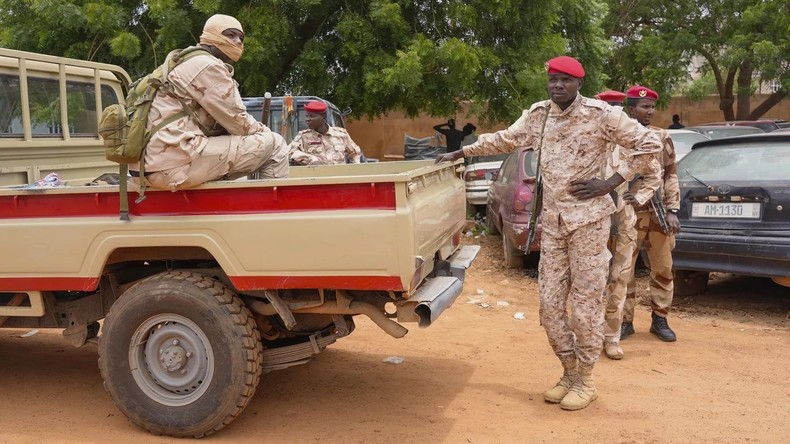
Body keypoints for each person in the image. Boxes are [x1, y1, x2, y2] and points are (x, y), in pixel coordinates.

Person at [435, 56, 662, 411]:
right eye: (553, 79)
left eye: (565, 80)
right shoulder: (539, 115)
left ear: (579, 83)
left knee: (586, 308)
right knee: (550, 308)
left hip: (589, 223)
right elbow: (506, 138)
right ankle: (568, 373)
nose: (558, 85)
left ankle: (586, 379)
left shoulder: (602, 114)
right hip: (553, 225)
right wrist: (462, 151)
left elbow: (650, 145)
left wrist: (610, 182)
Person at [132, 14, 289, 190]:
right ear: (211, 35)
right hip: (173, 165)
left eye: (241, 37)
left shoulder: (184, 61)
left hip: (148, 167)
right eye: (230, 35)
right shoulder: (207, 65)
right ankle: (272, 205)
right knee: (275, 144)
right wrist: (264, 132)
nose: (238, 41)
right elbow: (240, 124)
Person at [595, 90, 662, 360]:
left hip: (623, 218)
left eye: (616, 108)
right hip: (592, 219)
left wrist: (639, 197)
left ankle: (611, 337)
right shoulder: (588, 138)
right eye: (607, 107)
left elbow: (654, 174)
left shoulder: (632, 140)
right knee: (590, 280)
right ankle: (588, 335)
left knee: (620, 277)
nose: (612, 113)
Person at [621, 85, 681, 343]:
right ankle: (624, 321)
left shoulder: (662, 136)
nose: (650, 111)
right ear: (631, 109)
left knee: (663, 268)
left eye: (652, 107)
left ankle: (660, 319)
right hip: (628, 214)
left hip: (658, 214)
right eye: (644, 107)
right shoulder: (619, 136)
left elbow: (670, 174)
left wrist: (673, 210)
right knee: (623, 270)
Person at [289, 100, 363, 165]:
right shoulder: (303, 136)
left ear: (324, 118)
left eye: (311, 116)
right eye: (307, 116)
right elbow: (290, 152)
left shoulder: (341, 134)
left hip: (338, 175)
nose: (307, 119)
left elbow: (355, 152)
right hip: (315, 175)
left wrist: (354, 168)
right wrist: (311, 159)